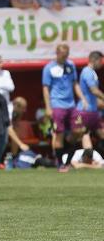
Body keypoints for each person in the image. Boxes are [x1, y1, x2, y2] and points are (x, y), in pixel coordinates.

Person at [42, 44, 88, 172]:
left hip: (71, 105)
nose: (65, 58)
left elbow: (75, 83)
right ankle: (62, 164)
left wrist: (83, 98)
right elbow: (46, 88)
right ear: (57, 54)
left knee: (79, 131)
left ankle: (66, 159)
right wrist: (48, 107)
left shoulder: (71, 65)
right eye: (63, 56)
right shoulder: (49, 68)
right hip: (57, 105)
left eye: (67, 56)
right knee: (59, 135)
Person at [74, 51, 104, 151]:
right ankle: (66, 160)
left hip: (93, 111)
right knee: (83, 134)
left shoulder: (93, 73)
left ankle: (93, 159)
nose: (101, 63)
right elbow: (93, 90)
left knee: (101, 133)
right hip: (84, 110)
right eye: (100, 61)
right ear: (94, 60)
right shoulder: (87, 71)